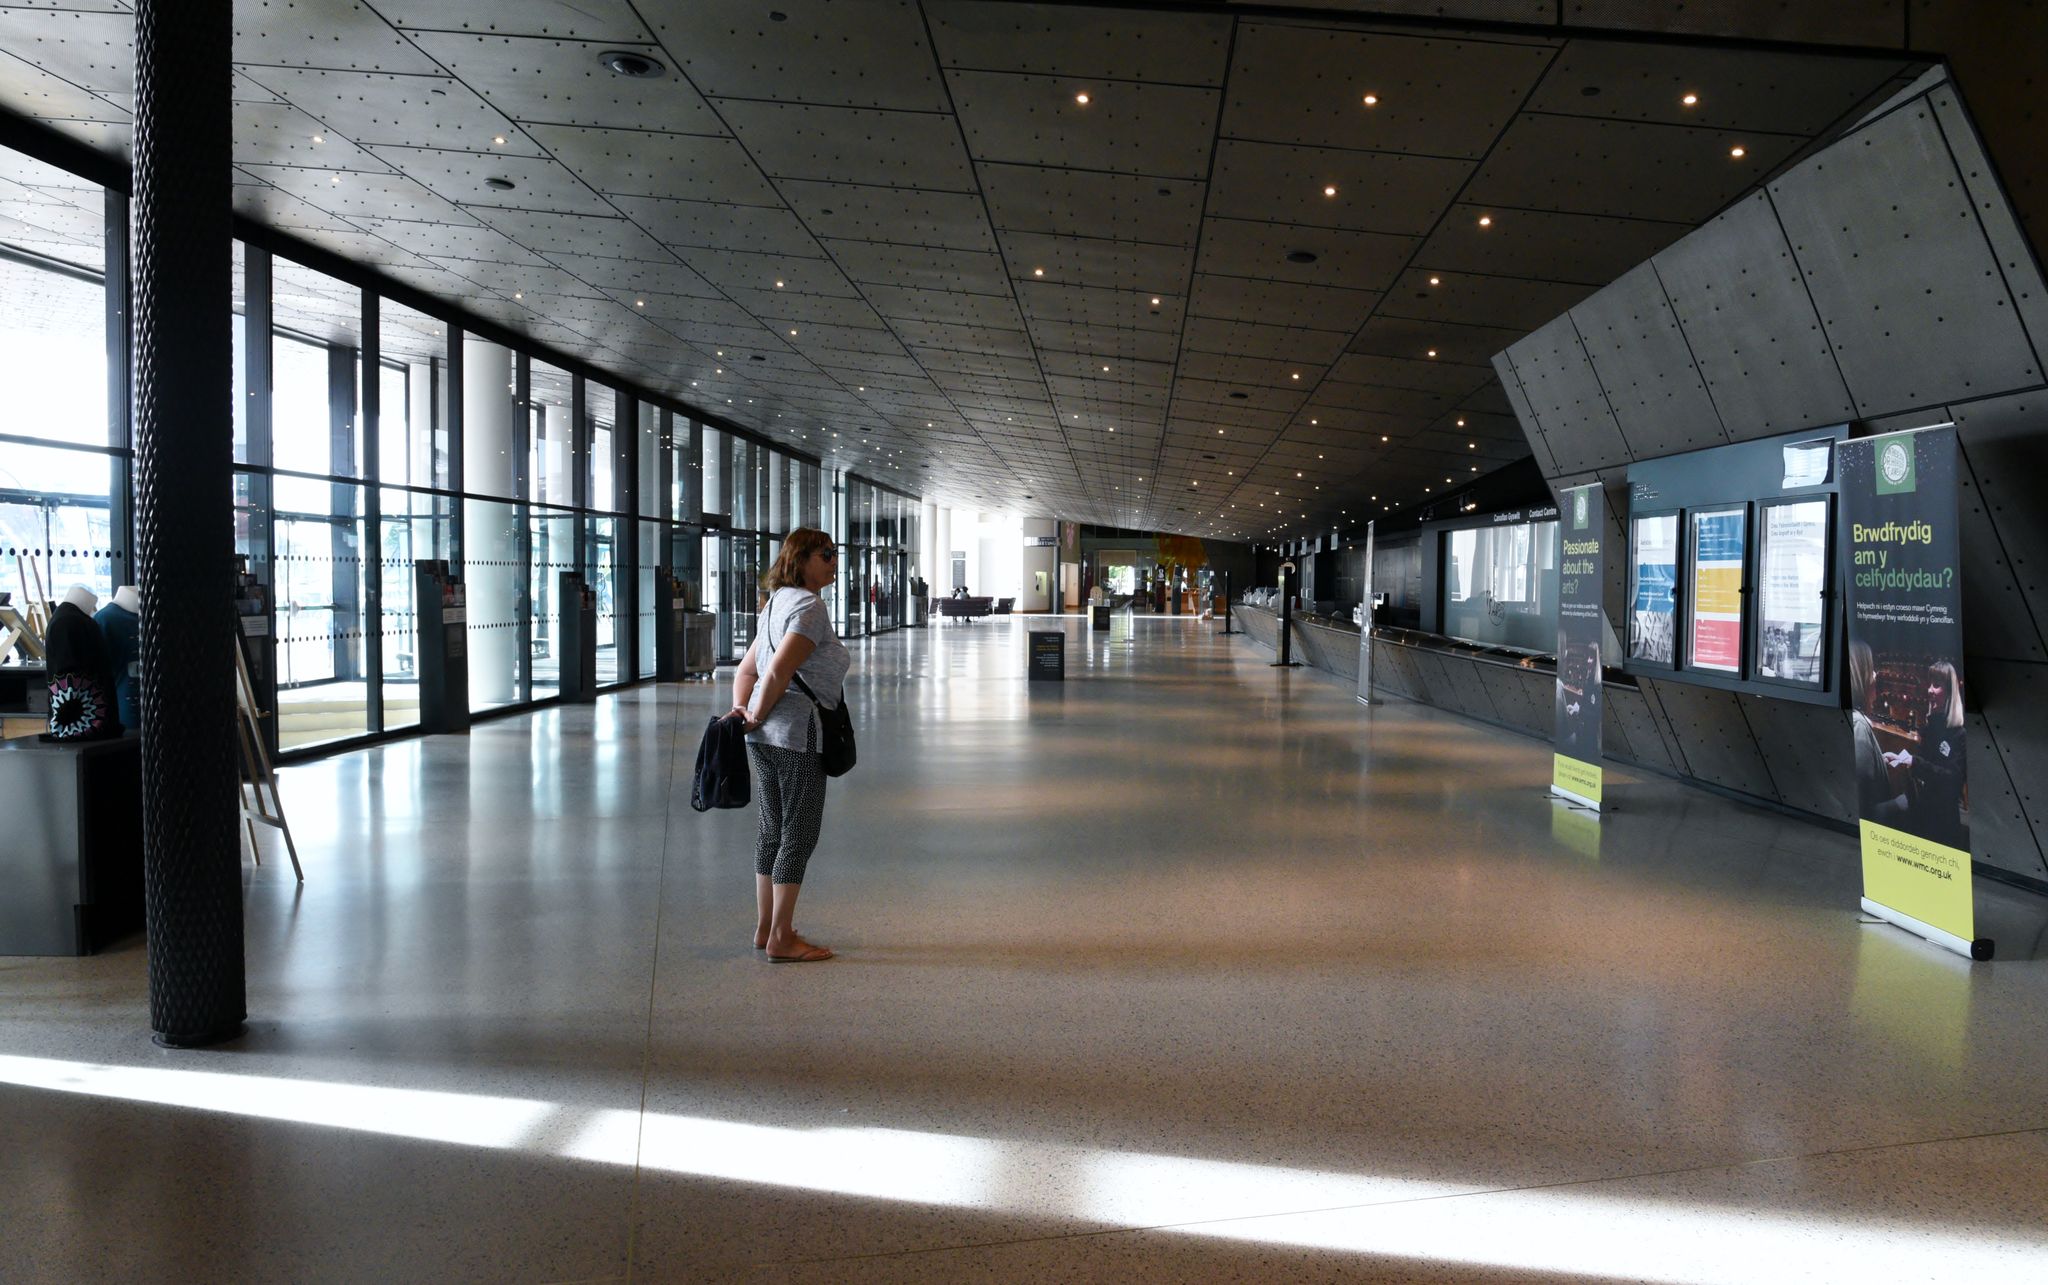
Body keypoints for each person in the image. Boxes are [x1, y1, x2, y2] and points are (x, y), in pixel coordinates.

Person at [729, 528, 850, 963]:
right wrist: (755, 714)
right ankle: (781, 937)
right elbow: (777, 671)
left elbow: (747, 670)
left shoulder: (775, 603)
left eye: (835, 554)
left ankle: (766, 927)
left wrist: (743, 713)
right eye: (826, 555)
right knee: (797, 834)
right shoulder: (809, 606)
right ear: (801, 559)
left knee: (772, 829)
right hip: (799, 735)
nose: (834, 561)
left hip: (764, 738)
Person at [1890, 659, 1968, 849]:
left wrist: (1915, 763)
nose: (1930, 690)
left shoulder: (1959, 733)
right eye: (1930, 684)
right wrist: (1902, 760)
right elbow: (1925, 765)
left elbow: (1953, 779)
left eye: (1937, 685)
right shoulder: (1931, 724)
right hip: (1922, 808)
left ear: (1950, 692)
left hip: (1942, 819)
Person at [1849, 642, 1908, 824]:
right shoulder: (1859, 725)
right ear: (1860, 674)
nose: (1875, 674)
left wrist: (1878, 761)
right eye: (1871, 668)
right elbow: (1864, 813)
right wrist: (1900, 804)